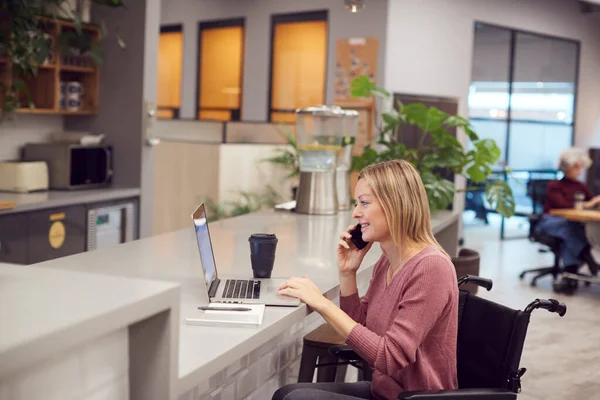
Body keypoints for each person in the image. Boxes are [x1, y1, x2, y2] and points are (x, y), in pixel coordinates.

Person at [273, 160, 459, 400]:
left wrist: (322, 303)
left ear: (396, 205)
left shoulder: (431, 268)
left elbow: (388, 357)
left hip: (413, 398)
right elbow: (363, 331)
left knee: (294, 399)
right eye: (356, 203)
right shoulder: (388, 260)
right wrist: (347, 273)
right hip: (385, 391)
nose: (355, 213)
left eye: (364, 203)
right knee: (287, 393)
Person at [537, 147, 600, 275]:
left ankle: (570, 272)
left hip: (570, 224)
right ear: (567, 168)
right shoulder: (554, 185)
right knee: (571, 230)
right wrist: (587, 204)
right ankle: (581, 260)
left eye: (580, 168)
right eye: (576, 167)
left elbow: (593, 200)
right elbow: (561, 205)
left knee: (576, 231)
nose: (579, 171)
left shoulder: (580, 186)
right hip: (551, 221)